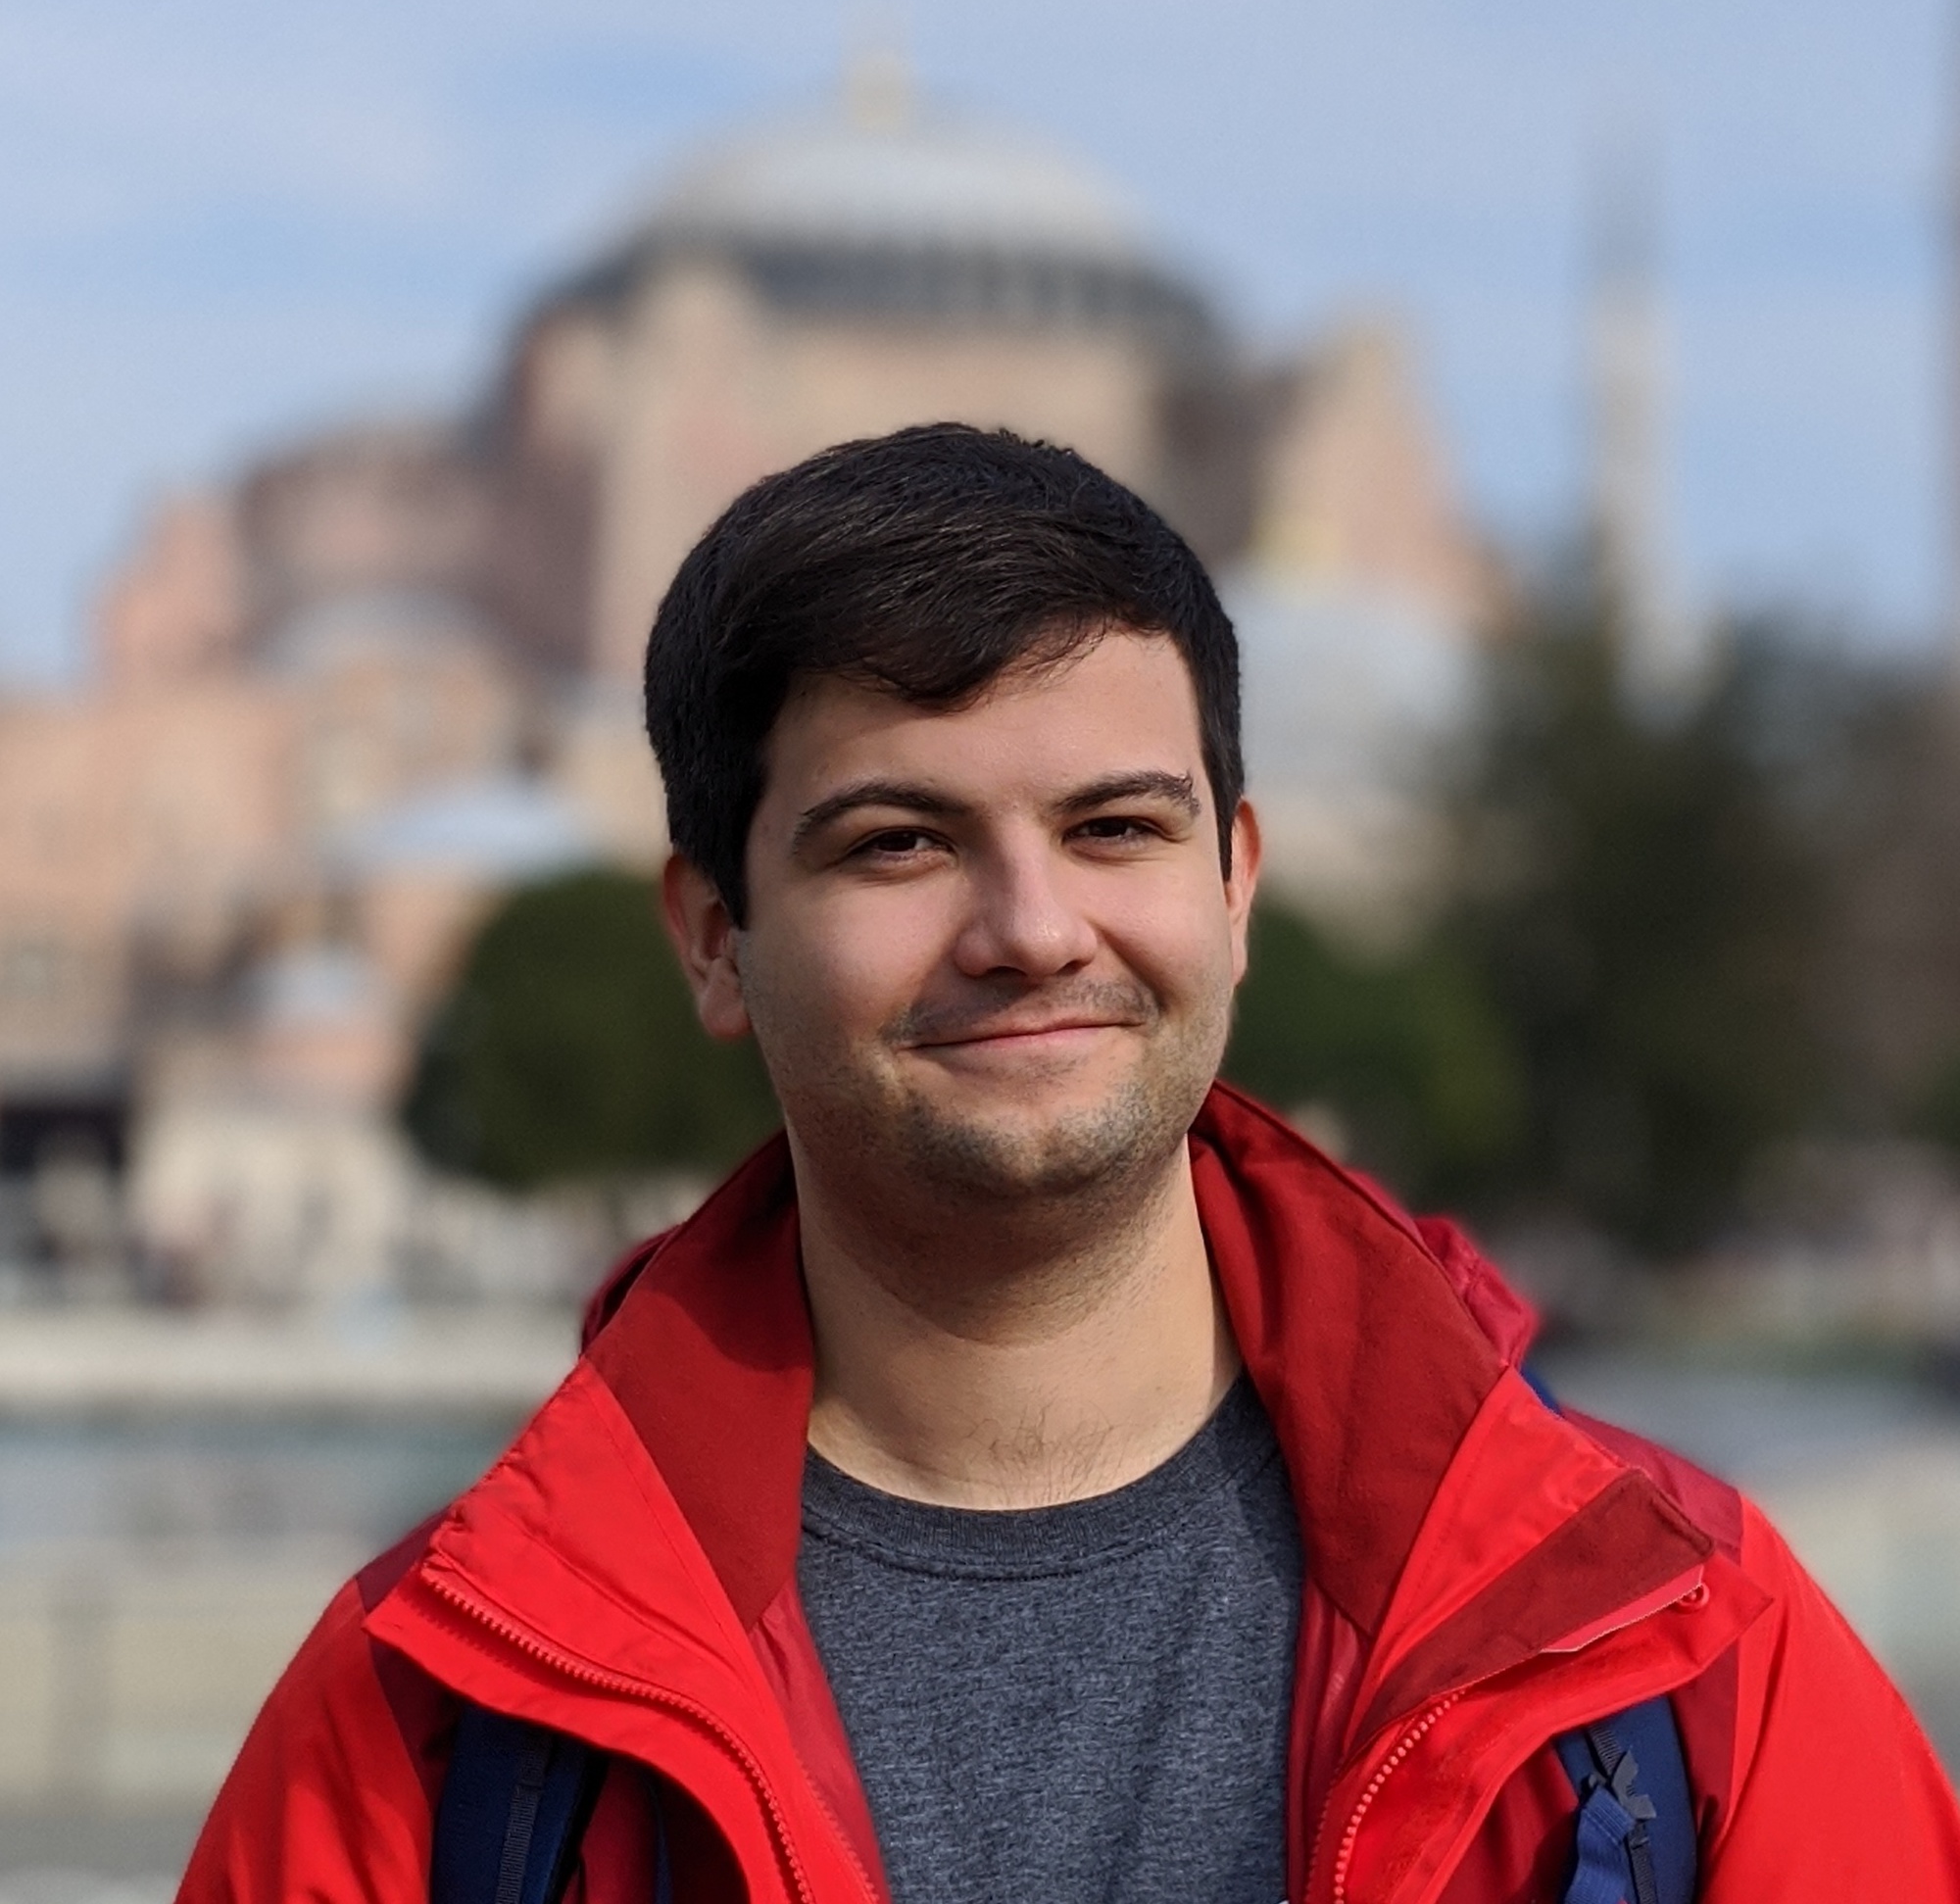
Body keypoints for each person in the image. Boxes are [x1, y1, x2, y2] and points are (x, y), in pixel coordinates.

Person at [182, 424, 1960, 1904]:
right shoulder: (428, 1730)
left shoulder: (1680, 1643)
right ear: (715, 936)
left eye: (1115, 827)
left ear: (1235, 886)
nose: (1033, 931)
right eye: (899, 843)